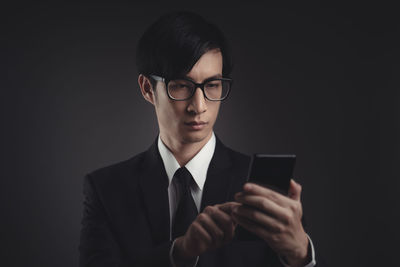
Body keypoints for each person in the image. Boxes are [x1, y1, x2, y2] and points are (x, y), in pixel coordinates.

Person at [79, 11, 317, 267]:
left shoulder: (257, 184)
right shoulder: (107, 190)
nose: (199, 106)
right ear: (148, 89)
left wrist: (301, 255)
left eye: (212, 85)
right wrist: (178, 253)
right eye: (182, 85)